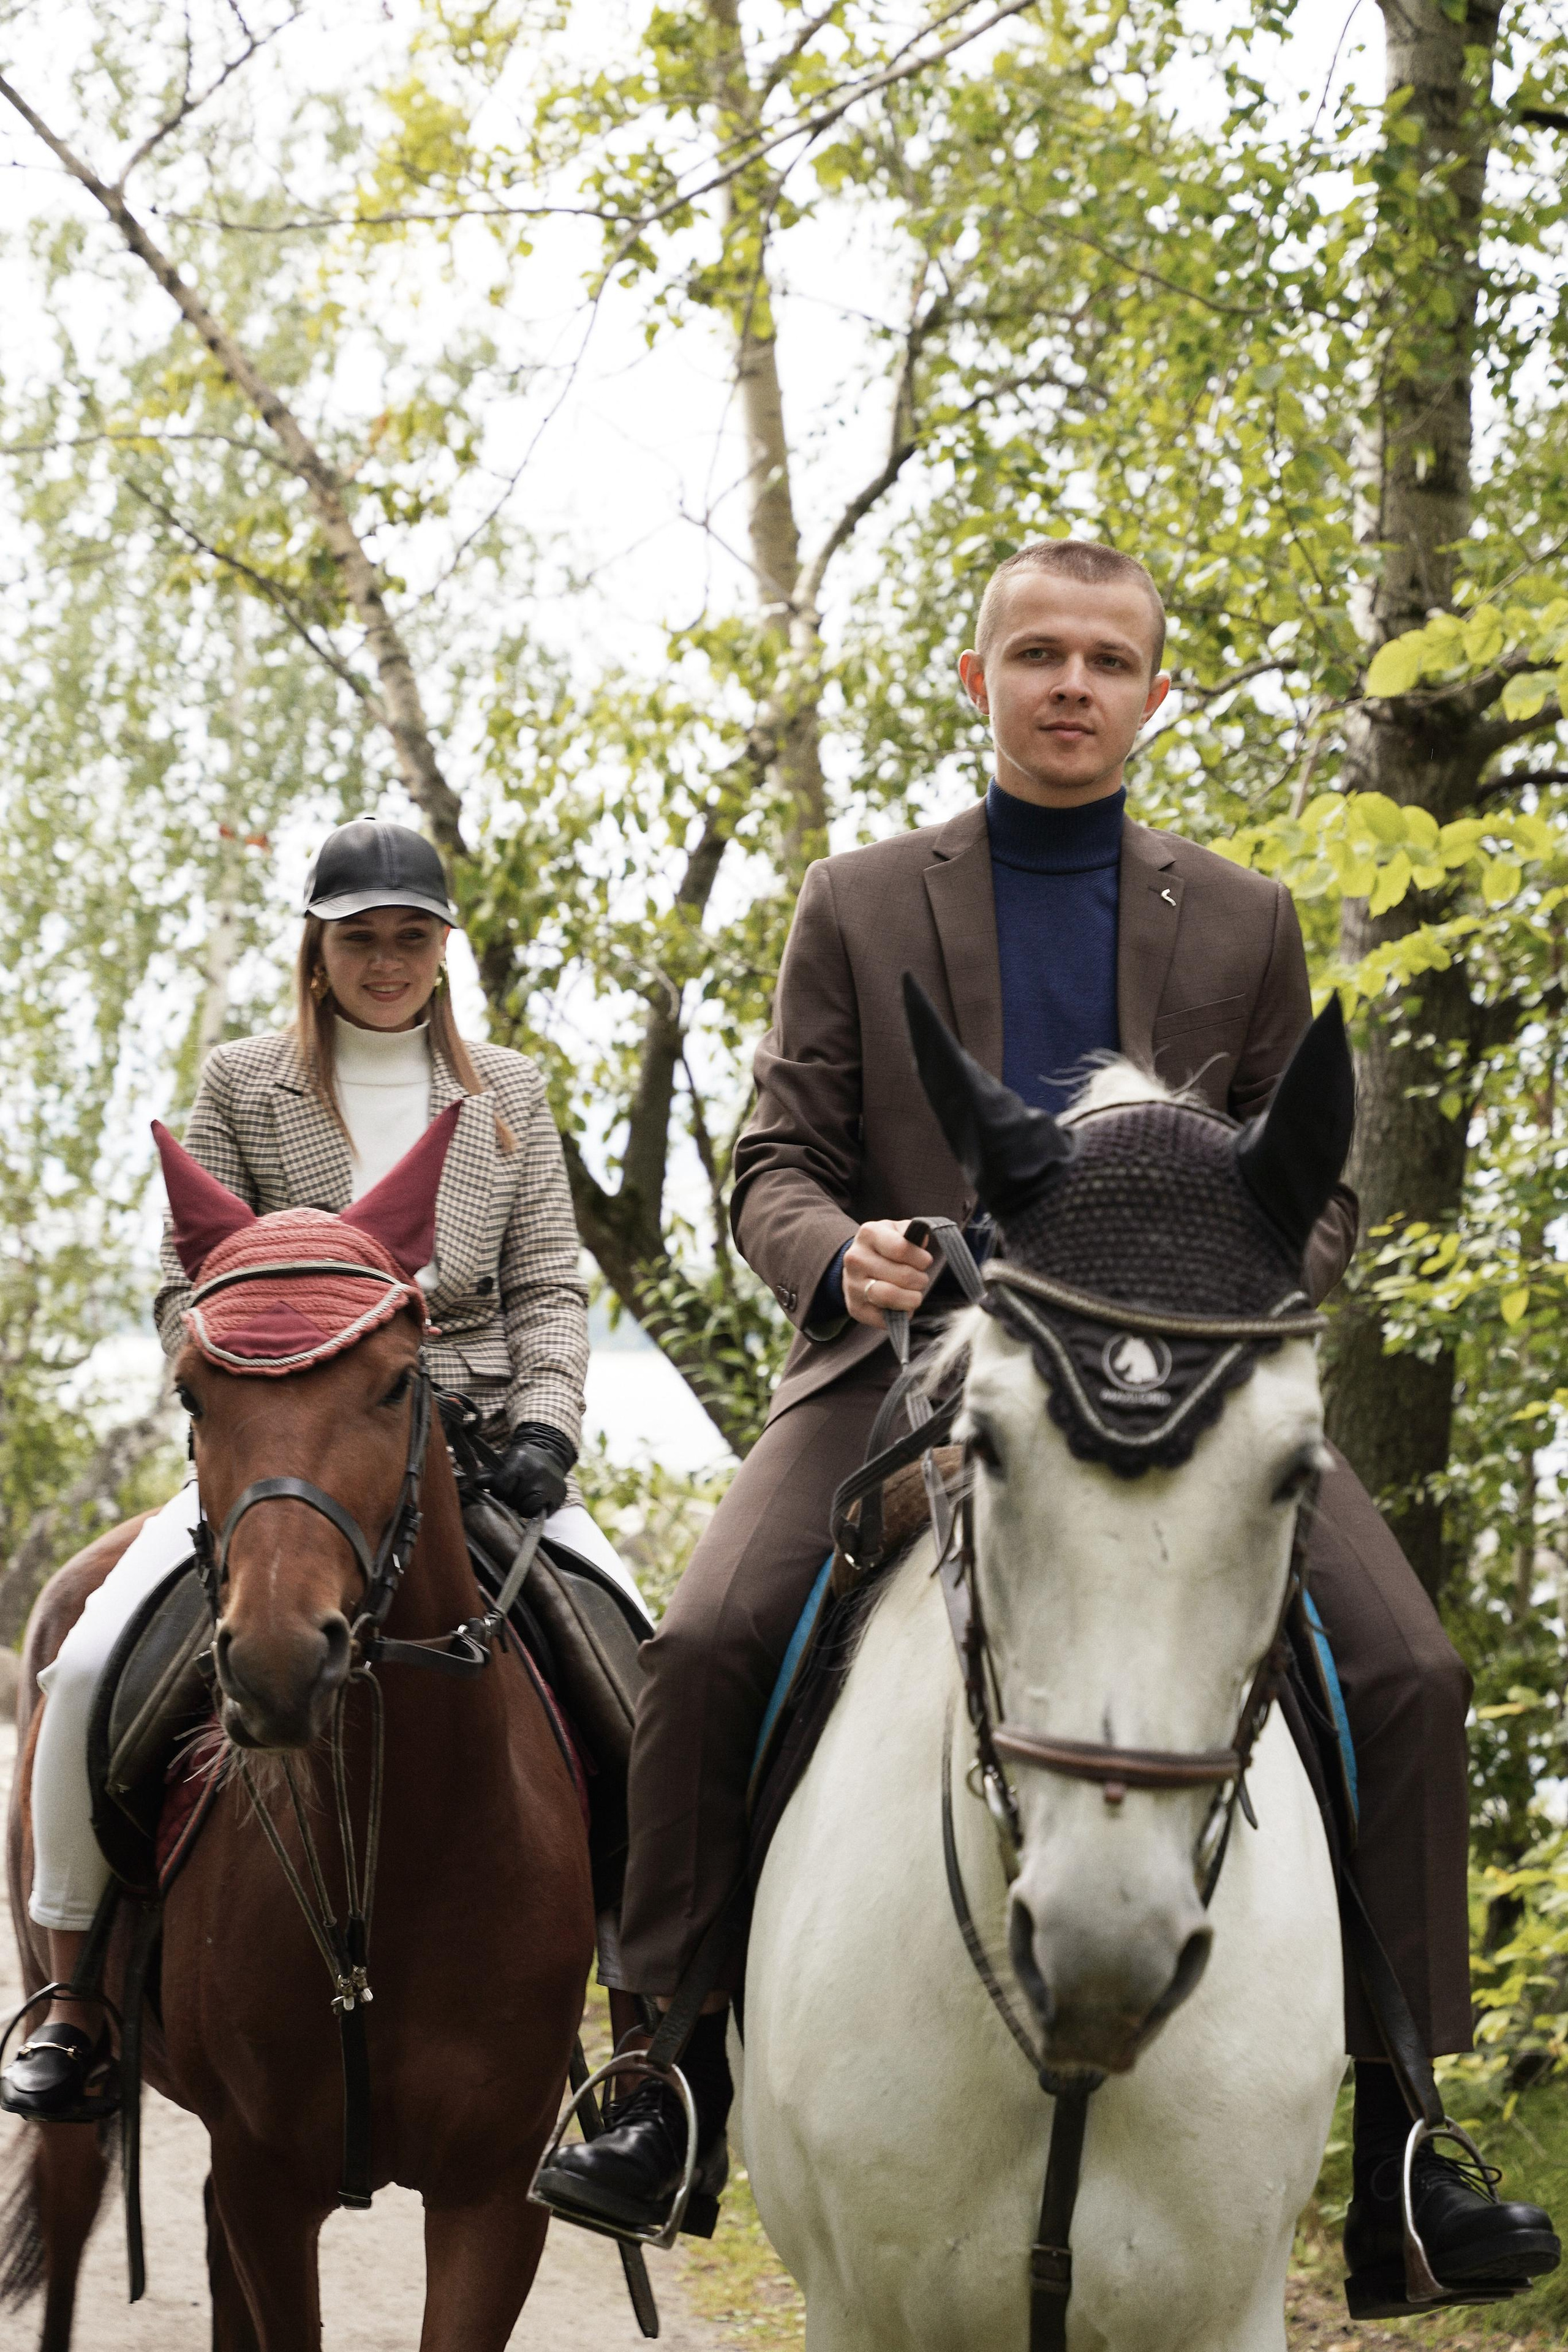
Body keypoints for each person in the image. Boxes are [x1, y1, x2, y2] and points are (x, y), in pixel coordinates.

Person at [538, 541, 1559, 2308]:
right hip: (907, 1366)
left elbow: (1305, 1198)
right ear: (976, 678)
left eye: (1107, 658)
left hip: (1182, 1375)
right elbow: (775, 1159)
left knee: (1407, 1672)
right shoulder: (857, 901)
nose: (1071, 684)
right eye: (1037, 655)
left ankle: (1407, 2137)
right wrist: (832, 1251)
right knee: (704, 1644)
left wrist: (1227, 1289)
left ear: (1158, 692)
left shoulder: (1244, 917)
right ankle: (673, 2079)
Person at [2, 816, 621, 2122]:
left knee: (653, 1668)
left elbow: (548, 1289)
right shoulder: (242, 1083)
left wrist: (548, 1430)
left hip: (481, 1453)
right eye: (359, 939)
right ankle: (72, 1994)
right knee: (90, 1655)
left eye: (409, 937)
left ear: (442, 949)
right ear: (318, 948)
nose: (385, 961)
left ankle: (644, 2016)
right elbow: (187, 1277)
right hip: (282, 1443)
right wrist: (239, 1375)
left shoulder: (506, 1093)